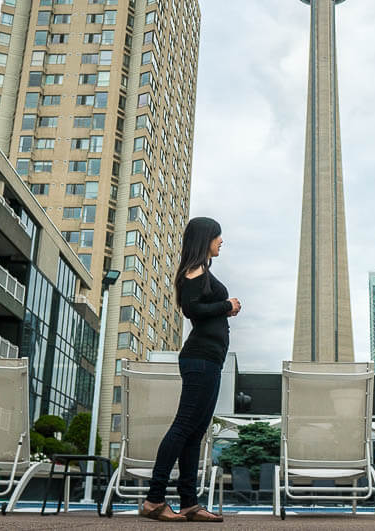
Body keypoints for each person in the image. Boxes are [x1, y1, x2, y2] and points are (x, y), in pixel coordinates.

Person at [140, 217, 241, 522]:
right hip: (200, 359)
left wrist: (225, 308)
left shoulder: (203, 271)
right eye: (217, 236)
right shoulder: (195, 270)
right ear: (205, 239)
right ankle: (154, 500)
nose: (221, 241)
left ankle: (189, 503)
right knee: (184, 426)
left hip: (209, 359)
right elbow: (191, 309)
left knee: (195, 432)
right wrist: (227, 305)